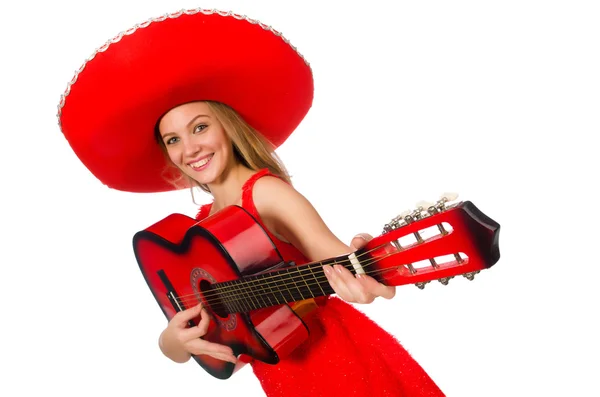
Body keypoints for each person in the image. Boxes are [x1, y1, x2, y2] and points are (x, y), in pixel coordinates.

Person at [57, 7, 445, 397]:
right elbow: (213, 346)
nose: (190, 149)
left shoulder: (267, 193)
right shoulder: (202, 224)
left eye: (200, 127)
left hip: (341, 368)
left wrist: (371, 278)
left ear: (228, 126)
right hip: (284, 381)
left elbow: (347, 265)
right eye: (173, 139)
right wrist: (172, 341)